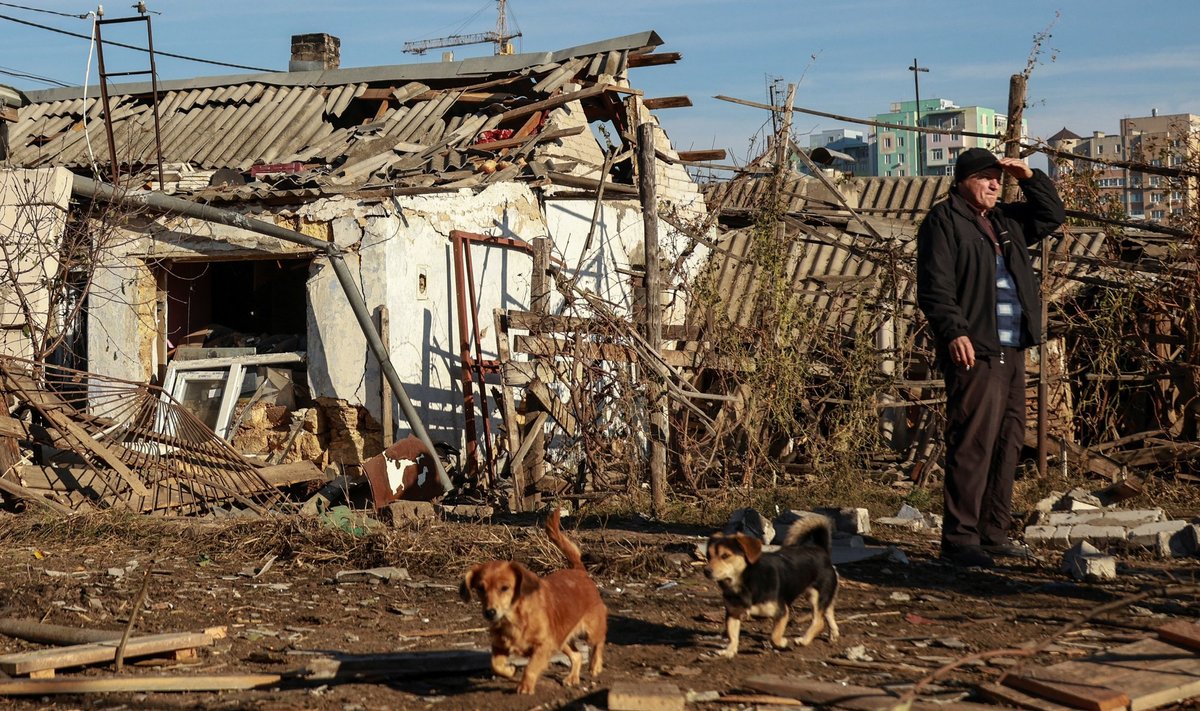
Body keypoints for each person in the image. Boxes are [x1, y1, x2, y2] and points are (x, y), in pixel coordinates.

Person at [916, 147, 1066, 568]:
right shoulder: (944, 222)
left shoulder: (1005, 221)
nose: (994, 185)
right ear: (964, 180)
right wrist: (954, 331)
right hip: (975, 348)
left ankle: (992, 533)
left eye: (998, 179)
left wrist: (1028, 175)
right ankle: (960, 539)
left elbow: (1051, 215)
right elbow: (934, 286)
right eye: (986, 178)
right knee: (973, 441)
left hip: (1011, 347)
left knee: (1007, 440)